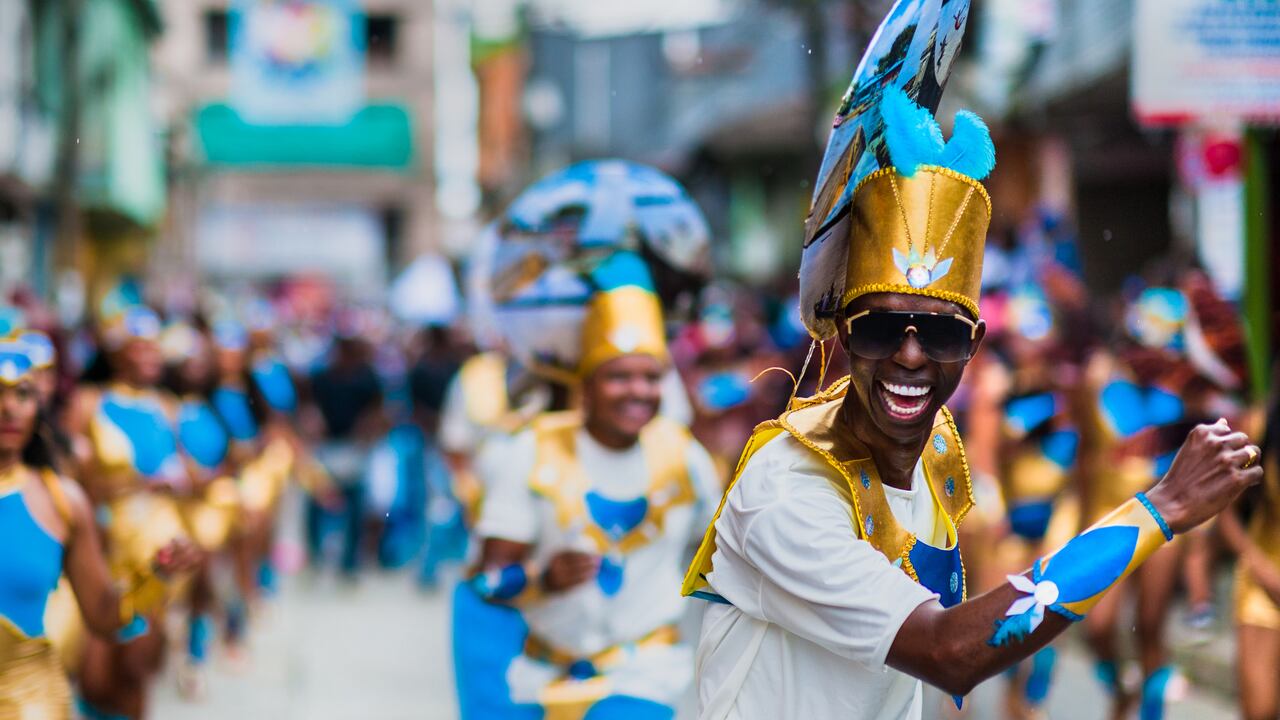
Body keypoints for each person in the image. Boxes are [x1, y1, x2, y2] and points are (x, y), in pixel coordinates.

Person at [680, 87, 1261, 720]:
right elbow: (948, 650)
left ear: (974, 345)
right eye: (882, 328)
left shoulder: (933, 449)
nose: (910, 356)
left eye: (939, 333)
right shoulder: (788, 490)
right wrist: (1161, 508)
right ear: (845, 334)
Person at [467, 252, 719, 718]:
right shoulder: (530, 451)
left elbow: (726, 558)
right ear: (586, 385)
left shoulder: (683, 456)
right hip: (541, 681)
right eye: (619, 377)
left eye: (650, 377)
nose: (638, 392)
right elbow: (486, 583)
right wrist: (543, 578)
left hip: (646, 679)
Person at [0, 338, 197, 720]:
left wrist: (153, 577)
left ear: (37, 405)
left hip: (33, 706)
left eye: (22, 394)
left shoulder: (63, 501)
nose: (9, 408)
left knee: (121, 680)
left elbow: (104, 616)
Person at [1221, 367, 1280, 720]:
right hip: (1264, 581)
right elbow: (1225, 517)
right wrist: (1262, 570)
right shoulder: (1258, 424)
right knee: (1260, 711)